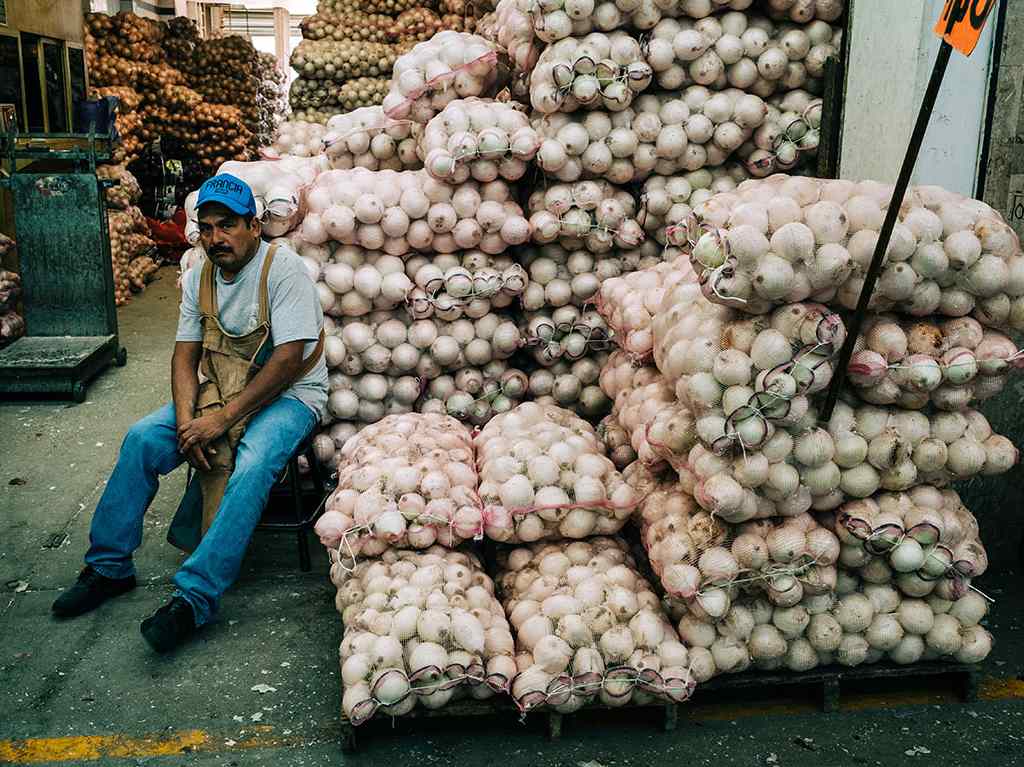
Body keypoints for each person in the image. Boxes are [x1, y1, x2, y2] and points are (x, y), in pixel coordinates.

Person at [52, 174, 328, 653]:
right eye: (207, 227)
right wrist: (187, 424)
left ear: (254, 227)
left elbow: (286, 362)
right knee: (142, 439)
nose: (216, 238)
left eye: (228, 226)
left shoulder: (284, 271)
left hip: (292, 393)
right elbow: (184, 355)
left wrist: (220, 421)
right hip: (220, 385)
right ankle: (109, 566)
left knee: (253, 462)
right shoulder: (199, 273)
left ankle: (195, 597)